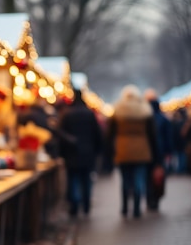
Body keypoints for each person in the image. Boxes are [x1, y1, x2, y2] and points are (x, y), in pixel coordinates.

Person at [108, 85, 158, 218]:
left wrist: (110, 150)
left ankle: (125, 207)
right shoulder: (145, 110)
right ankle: (136, 208)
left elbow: (110, 133)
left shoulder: (118, 110)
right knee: (139, 179)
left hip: (123, 150)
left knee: (125, 180)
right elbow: (152, 134)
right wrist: (156, 153)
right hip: (141, 150)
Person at [58, 89, 104, 217]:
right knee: (86, 180)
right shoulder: (89, 114)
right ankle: (86, 205)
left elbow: (61, 134)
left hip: (72, 152)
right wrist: (98, 150)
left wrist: (62, 152)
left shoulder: (67, 114)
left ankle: (75, 204)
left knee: (73, 179)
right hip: (88, 152)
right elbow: (97, 133)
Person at [144, 89, 173, 211]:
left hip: (146, 151)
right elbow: (168, 137)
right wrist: (169, 151)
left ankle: (150, 198)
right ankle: (156, 198)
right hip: (160, 151)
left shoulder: (144, 118)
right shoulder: (163, 118)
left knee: (147, 176)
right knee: (159, 176)